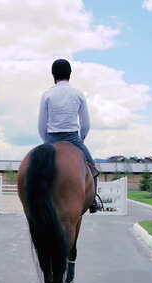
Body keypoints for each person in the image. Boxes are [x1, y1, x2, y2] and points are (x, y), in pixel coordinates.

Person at [38, 59, 101, 213]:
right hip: (73, 139)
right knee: (93, 169)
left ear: (53, 75)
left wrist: (46, 141)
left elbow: (41, 124)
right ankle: (92, 201)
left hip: (51, 138)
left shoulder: (47, 94)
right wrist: (81, 139)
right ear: (70, 74)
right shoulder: (78, 94)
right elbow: (85, 123)